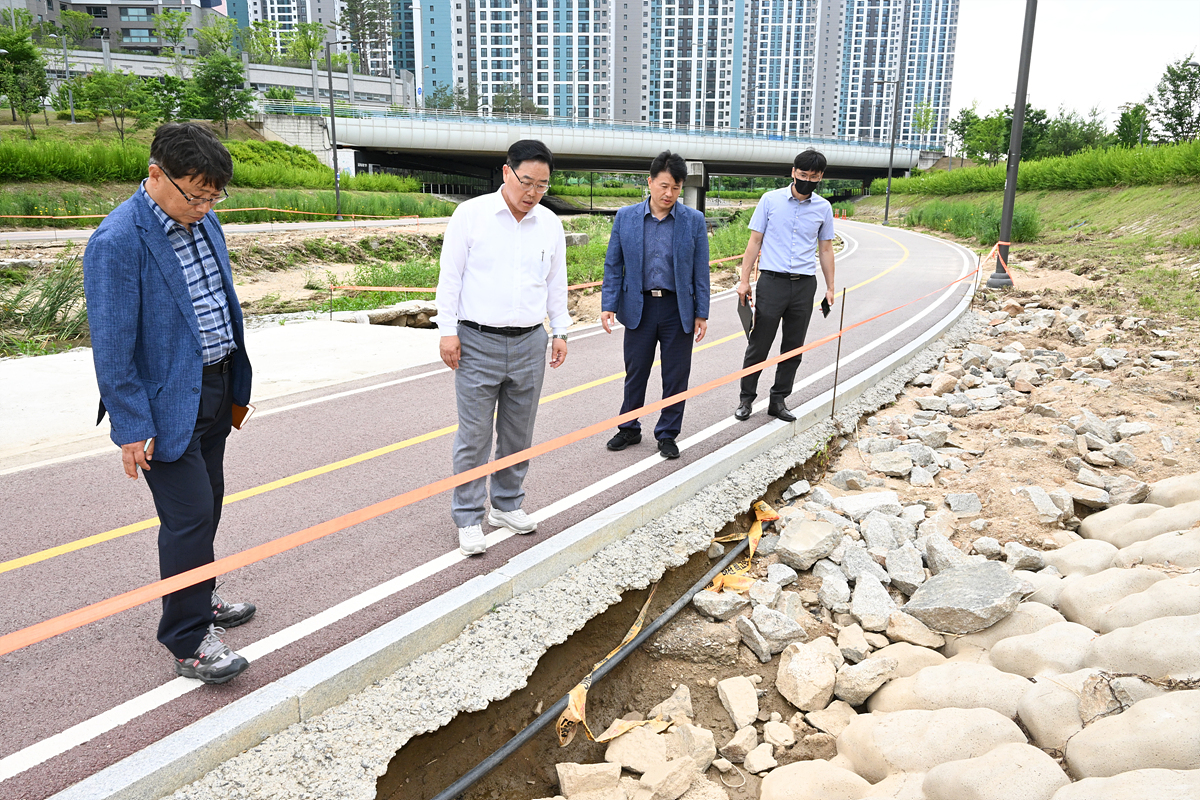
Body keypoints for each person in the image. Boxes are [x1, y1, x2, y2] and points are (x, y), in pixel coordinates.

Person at [83, 122, 256, 685]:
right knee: (188, 519)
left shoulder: (203, 223)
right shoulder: (118, 241)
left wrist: (233, 381)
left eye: (214, 195)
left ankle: (199, 596)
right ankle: (186, 641)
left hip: (214, 386)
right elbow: (113, 348)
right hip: (163, 408)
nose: (206, 205)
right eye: (196, 193)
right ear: (156, 175)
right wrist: (131, 428)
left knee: (209, 505)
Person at [435, 139, 570, 557]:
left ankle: (507, 504)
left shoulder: (549, 224)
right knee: (474, 434)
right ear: (506, 172)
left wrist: (561, 330)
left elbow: (555, 283)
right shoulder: (470, 215)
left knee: (518, 431)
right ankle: (469, 515)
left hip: (531, 340)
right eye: (526, 181)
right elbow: (450, 277)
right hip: (476, 339)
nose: (532, 192)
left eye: (542, 186)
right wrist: (447, 330)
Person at [600, 151, 710, 460]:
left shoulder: (694, 221)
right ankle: (629, 428)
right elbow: (613, 264)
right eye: (663, 186)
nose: (669, 194)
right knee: (636, 371)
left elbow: (701, 269)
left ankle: (667, 433)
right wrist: (608, 304)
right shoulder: (626, 217)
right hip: (639, 307)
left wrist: (702, 311)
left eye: (675, 188)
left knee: (675, 374)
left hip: (678, 309)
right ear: (650, 182)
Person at [734, 149, 836, 422]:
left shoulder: (823, 208)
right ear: (793, 172)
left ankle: (778, 401)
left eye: (813, 177)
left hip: (804, 286)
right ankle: (746, 400)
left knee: (793, 346)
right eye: (803, 175)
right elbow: (754, 242)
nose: (807, 180)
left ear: (820, 177)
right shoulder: (770, 200)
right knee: (759, 343)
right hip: (771, 282)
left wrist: (830, 287)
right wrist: (744, 281)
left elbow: (825, 249)